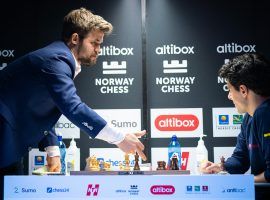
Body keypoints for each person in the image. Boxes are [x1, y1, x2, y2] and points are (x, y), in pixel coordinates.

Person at [0, 7, 147, 195]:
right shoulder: (56, 60)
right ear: (75, 39)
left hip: (9, 141)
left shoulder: (59, 60)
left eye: (100, 44)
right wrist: (119, 138)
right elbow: (73, 107)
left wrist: (52, 151)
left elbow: (44, 109)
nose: (98, 50)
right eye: (94, 43)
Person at [200, 53, 270, 183]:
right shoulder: (249, 117)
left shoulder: (265, 113)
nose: (229, 96)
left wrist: (245, 182)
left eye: (229, 90)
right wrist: (220, 167)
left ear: (243, 90)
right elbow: (240, 159)